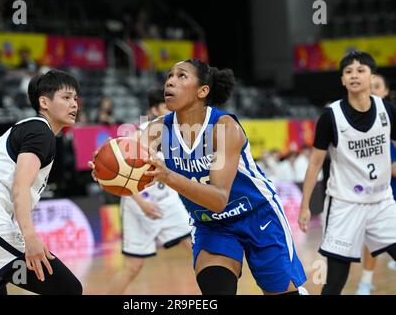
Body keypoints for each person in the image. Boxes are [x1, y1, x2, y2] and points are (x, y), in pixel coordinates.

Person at [128, 59, 307, 294]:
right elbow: (128, 157)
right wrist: (108, 167)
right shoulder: (157, 128)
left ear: (202, 91)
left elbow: (219, 198)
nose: (170, 81)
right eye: (169, 76)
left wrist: (167, 176)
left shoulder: (224, 128)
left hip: (257, 215)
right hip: (211, 224)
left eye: (181, 76)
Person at [0, 70, 83, 295]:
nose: (74, 104)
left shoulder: (27, 129)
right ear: (44, 102)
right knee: (67, 288)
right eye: (66, 97)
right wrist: (30, 239)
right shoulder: (41, 131)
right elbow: (19, 187)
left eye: (75, 98)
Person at [298, 51, 396, 295]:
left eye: (360, 71)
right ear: (342, 79)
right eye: (349, 72)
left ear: (371, 76)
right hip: (345, 204)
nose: (354, 76)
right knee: (335, 281)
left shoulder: (387, 109)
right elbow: (314, 163)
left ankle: (366, 282)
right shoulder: (331, 117)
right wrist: (304, 205)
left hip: (382, 202)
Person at [105, 88, 192, 294]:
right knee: (133, 268)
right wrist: (142, 204)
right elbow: (121, 176)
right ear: (155, 109)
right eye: (166, 105)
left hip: (169, 202)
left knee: (199, 253)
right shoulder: (138, 135)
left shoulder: (181, 133)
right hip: (139, 205)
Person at [356, 73, 396, 295]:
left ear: (386, 91)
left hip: (390, 189)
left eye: (376, 86)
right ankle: (365, 281)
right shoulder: (360, 123)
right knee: (371, 237)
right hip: (377, 190)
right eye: (368, 87)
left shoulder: (390, 118)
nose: (371, 90)